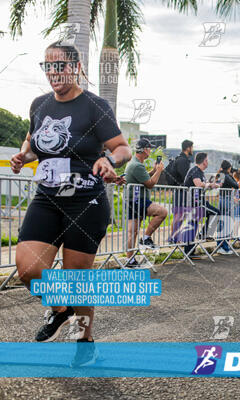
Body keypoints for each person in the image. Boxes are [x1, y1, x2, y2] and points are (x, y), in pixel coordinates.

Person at [10, 42, 131, 365]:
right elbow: (34, 140)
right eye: (48, 66)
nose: (54, 72)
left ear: (76, 67)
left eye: (60, 65)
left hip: (85, 201)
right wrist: (25, 154)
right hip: (47, 199)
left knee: (78, 280)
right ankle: (60, 308)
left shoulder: (95, 106)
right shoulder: (39, 104)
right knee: (28, 268)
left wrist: (109, 160)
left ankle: (84, 342)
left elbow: (122, 148)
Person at [124, 138, 167, 267]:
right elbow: (149, 184)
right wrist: (158, 171)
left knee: (133, 231)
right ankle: (146, 238)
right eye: (149, 148)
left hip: (133, 200)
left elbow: (143, 177)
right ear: (144, 150)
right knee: (162, 212)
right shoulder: (137, 165)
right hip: (138, 201)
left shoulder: (135, 163)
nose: (150, 150)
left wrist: (153, 171)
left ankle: (130, 260)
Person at [181, 152, 221, 258]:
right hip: (194, 202)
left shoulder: (200, 172)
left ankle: (191, 250)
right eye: (207, 160)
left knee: (193, 225)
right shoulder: (195, 170)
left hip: (199, 201)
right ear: (204, 161)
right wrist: (210, 185)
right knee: (215, 213)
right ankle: (203, 235)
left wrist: (211, 184)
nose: (208, 162)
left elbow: (203, 184)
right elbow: (198, 184)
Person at [214, 160, 239, 255]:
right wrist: (232, 176)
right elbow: (236, 185)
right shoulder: (227, 176)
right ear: (228, 168)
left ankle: (220, 245)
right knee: (226, 223)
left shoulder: (219, 175)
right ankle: (224, 247)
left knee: (221, 223)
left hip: (221, 199)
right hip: (226, 200)